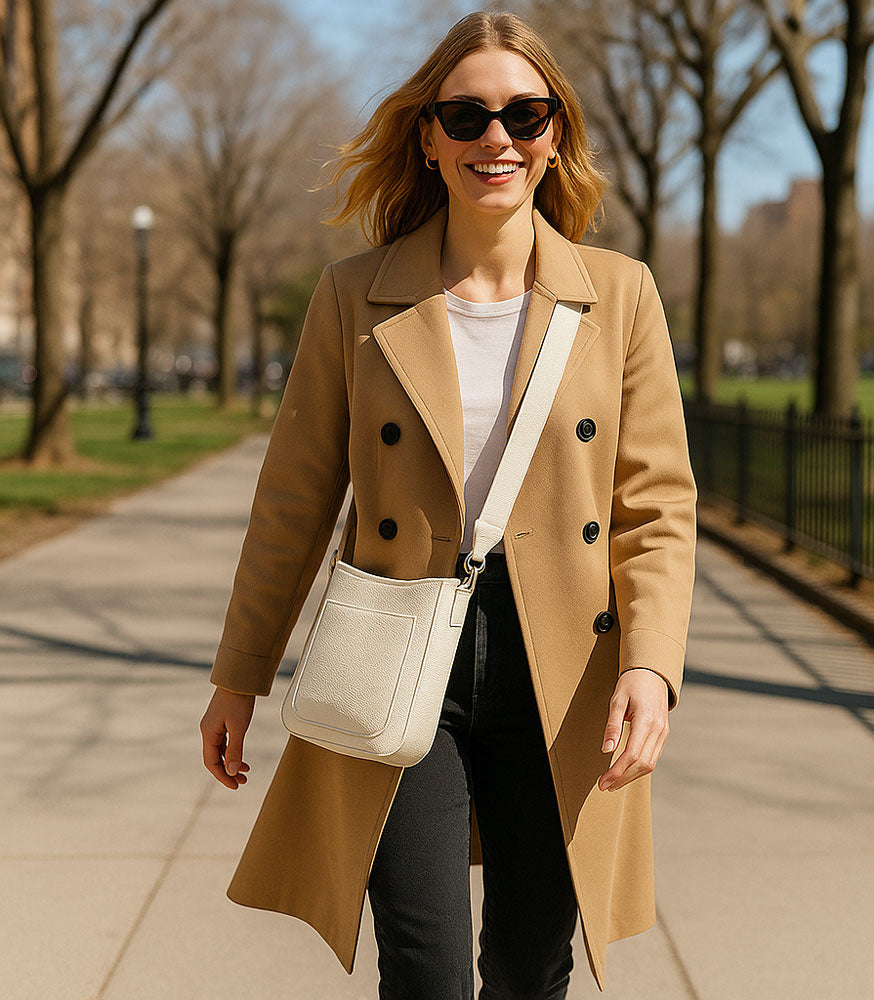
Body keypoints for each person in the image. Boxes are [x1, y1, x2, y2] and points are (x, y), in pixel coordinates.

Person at [199, 9, 697, 999]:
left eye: (524, 114)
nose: (496, 139)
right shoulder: (356, 296)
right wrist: (239, 672)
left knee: (527, 964)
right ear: (426, 137)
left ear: (556, 134)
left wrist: (651, 662)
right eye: (464, 117)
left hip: (562, 662)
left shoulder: (619, 295)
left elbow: (655, 504)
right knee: (424, 975)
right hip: (397, 649)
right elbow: (292, 499)